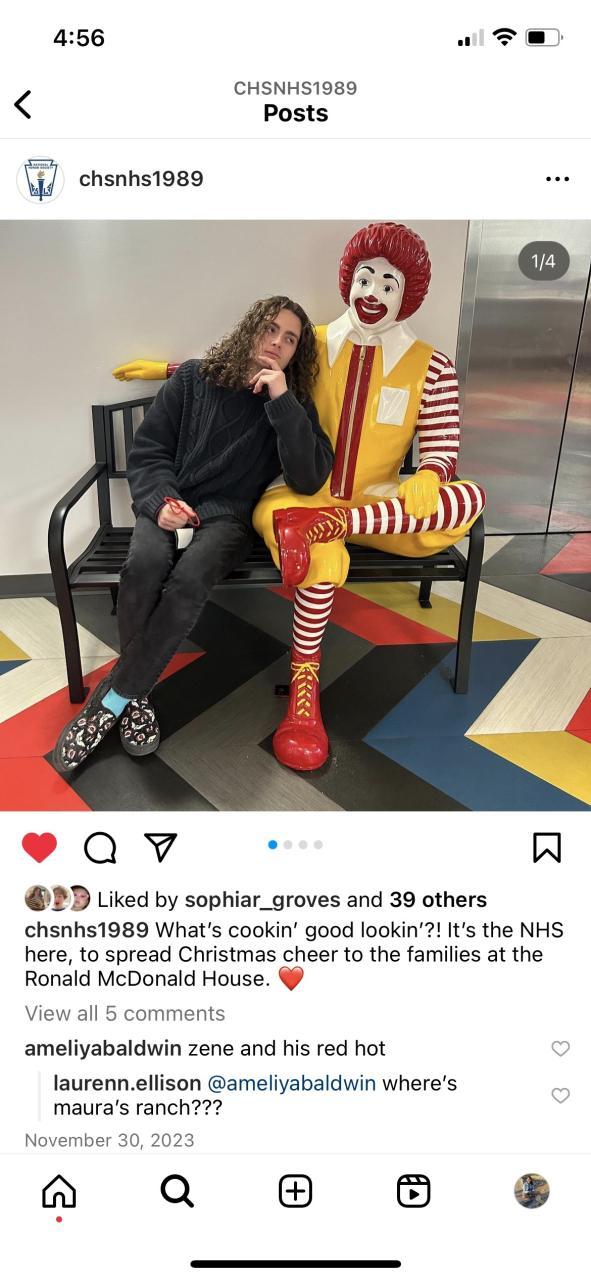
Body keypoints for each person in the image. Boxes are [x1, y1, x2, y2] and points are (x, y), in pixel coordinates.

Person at [115, 222, 485, 773]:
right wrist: (171, 370)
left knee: (470, 498)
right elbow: (240, 363)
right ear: (348, 279)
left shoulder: (433, 366)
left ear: (408, 294)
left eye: (388, 284)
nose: (373, 293)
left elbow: (442, 445)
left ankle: (339, 524)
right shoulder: (309, 342)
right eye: (366, 278)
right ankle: (304, 694)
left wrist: (431, 473)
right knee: (318, 557)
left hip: (377, 505)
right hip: (302, 497)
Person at [53, 297, 333, 772]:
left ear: (295, 353)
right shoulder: (193, 378)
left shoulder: (291, 403)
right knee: (143, 564)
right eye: (271, 329)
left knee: (190, 578)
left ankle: (113, 701)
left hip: (230, 518)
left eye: (290, 339)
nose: (277, 343)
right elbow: (149, 451)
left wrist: (283, 402)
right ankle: (138, 698)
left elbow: (309, 478)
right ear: (250, 329)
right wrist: (161, 502)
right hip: (169, 504)